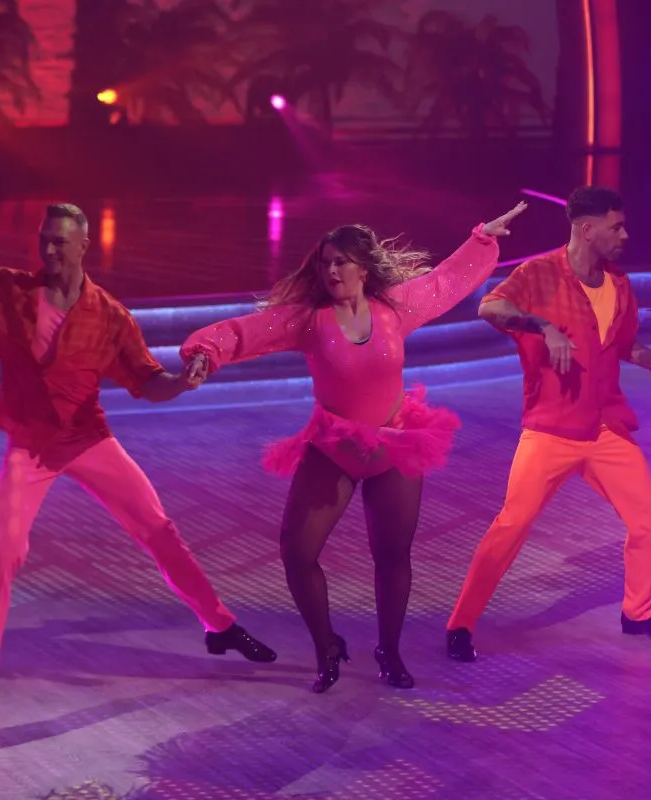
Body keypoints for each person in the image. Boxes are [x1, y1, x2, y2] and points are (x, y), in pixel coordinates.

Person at [0, 203, 276, 702]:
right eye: (44, 239)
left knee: (158, 529)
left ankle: (219, 625)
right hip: (30, 446)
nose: (50, 249)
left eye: (60, 241)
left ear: (84, 246)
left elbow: (148, 381)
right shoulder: (7, 290)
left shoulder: (110, 316)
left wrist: (183, 383)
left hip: (87, 439)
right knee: (4, 551)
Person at [179, 202, 528, 693]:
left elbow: (446, 282)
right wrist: (204, 353)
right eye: (325, 263)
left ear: (363, 267)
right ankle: (327, 647)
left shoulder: (396, 309)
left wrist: (481, 240)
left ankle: (390, 651)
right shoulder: (308, 319)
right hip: (334, 447)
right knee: (297, 552)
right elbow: (247, 332)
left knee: (393, 555)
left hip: (394, 446)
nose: (331, 271)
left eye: (341, 262)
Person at [445, 186, 651, 663]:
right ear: (587, 230)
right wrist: (543, 326)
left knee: (648, 519)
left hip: (605, 426)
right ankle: (461, 624)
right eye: (616, 227)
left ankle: (638, 612)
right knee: (512, 524)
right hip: (550, 428)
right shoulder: (539, 274)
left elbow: (625, 345)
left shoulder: (619, 283)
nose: (625, 235)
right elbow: (489, 307)